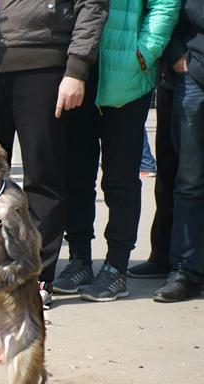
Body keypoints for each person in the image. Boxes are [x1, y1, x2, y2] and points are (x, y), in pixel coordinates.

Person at [0, 0, 108, 306]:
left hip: (43, 65)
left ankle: (37, 274)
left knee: (43, 176)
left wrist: (77, 69)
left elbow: (92, 5)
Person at [54, 0, 178, 302]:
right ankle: (79, 260)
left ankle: (116, 266)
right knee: (76, 176)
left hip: (127, 75)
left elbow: (165, 4)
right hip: (77, 71)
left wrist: (145, 52)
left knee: (120, 179)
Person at [153, 1, 204, 302]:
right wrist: (175, 56)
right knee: (189, 179)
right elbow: (164, 8)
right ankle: (184, 270)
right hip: (193, 72)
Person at [129, 68, 180, 279]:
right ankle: (162, 255)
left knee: (190, 181)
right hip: (172, 76)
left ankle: (186, 263)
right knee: (168, 173)